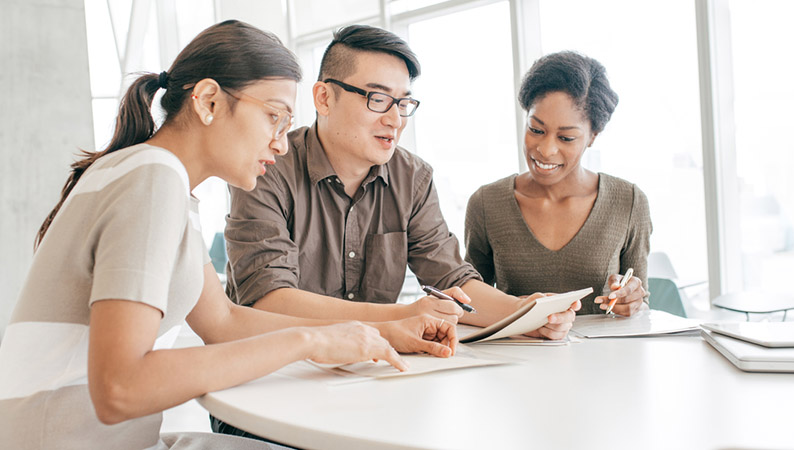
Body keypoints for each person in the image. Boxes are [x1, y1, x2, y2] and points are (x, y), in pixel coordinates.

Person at [0, 20, 457, 450]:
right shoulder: (151, 179)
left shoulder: (161, 182)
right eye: (274, 117)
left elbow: (224, 323)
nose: (281, 142)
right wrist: (310, 341)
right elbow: (119, 388)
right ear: (208, 101)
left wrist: (381, 329)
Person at [224, 24, 579, 333]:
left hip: (365, 372)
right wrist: (403, 316)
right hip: (268, 377)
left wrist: (527, 314)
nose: (395, 120)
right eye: (378, 99)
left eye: (403, 103)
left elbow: (452, 280)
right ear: (323, 98)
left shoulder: (413, 178)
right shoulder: (269, 166)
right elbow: (270, 301)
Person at [464, 51, 652, 316]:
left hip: (603, 357)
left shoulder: (628, 201)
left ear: (592, 136)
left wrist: (633, 302)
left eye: (566, 138)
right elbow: (470, 304)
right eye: (536, 130)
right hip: (516, 354)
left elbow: (641, 306)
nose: (546, 149)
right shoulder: (487, 203)